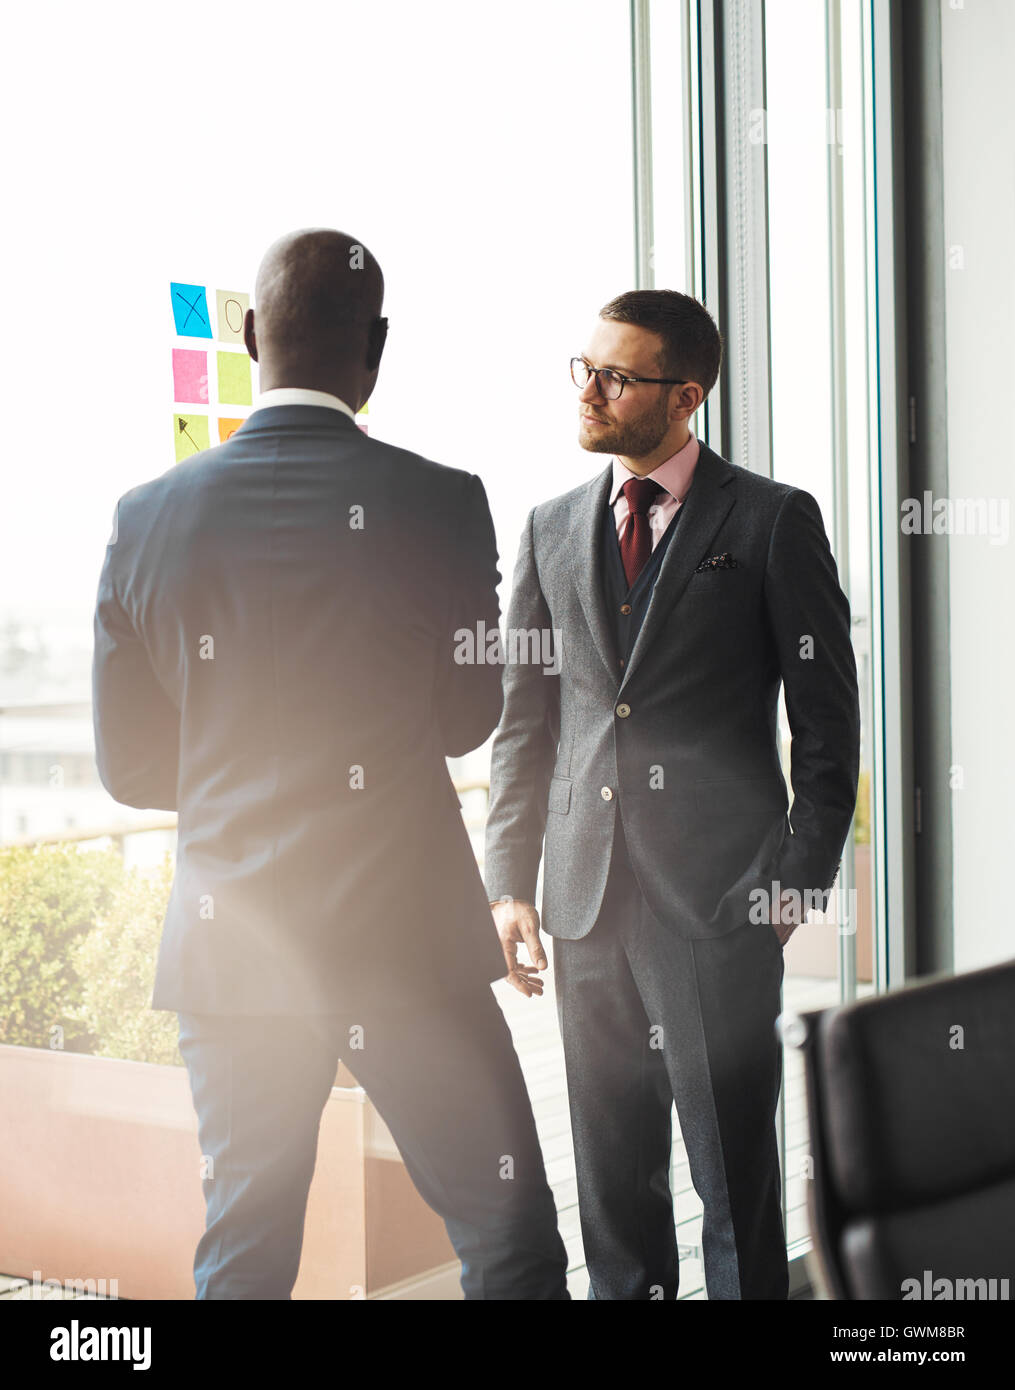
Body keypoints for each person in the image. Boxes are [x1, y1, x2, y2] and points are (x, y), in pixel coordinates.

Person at [92, 228, 568, 1300]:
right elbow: (464, 718)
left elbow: (127, 767)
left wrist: (237, 770)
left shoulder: (145, 516)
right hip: (406, 946)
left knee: (246, 1257)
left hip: (234, 956)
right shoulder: (443, 500)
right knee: (512, 1243)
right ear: (377, 349)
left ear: (252, 335)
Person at [485, 289, 860, 1300]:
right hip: (584, 905)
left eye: (617, 376)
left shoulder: (772, 520)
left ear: (684, 396)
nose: (591, 390)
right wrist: (508, 881)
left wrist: (787, 892)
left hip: (719, 911)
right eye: (587, 368)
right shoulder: (551, 526)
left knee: (735, 1189)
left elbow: (828, 731)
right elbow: (528, 721)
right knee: (612, 1196)